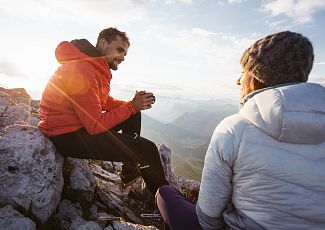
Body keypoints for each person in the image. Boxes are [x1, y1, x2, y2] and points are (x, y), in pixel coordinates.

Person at [156, 31, 325, 229]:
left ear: (258, 76)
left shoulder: (234, 129)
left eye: (244, 71)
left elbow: (208, 219)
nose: (238, 80)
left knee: (165, 194)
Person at [38, 27, 169, 195]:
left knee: (133, 114)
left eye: (125, 54)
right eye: (119, 50)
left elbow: (103, 101)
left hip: (77, 127)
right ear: (102, 43)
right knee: (146, 149)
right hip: (67, 136)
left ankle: (128, 172)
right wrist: (131, 106)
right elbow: (94, 125)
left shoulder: (93, 65)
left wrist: (133, 105)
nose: (122, 57)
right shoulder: (83, 69)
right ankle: (172, 208)